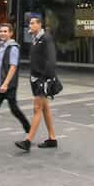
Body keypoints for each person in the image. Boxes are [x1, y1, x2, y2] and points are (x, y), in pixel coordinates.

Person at [16, 15, 58, 152]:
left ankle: (28, 141)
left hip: (42, 79)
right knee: (45, 109)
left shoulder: (46, 38)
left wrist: (45, 78)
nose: (30, 26)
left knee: (37, 109)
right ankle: (52, 138)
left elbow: (51, 60)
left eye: (33, 23)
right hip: (35, 78)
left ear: (40, 25)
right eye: (29, 23)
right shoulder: (35, 39)